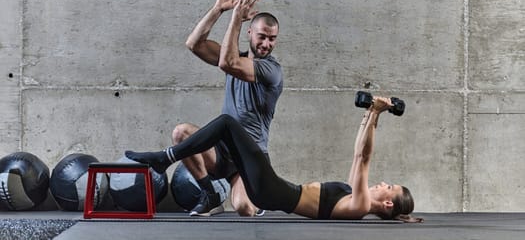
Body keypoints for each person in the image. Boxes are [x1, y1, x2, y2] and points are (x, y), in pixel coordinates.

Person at [126, 95, 422, 222]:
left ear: (387, 203)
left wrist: (377, 113)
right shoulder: (351, 198)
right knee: (226, 131)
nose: (384, 183)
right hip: (272, 188)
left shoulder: (358, 206)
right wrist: (371, 112)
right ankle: (171, 159)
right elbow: (358, 158)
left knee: (228, 123)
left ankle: (165, 159)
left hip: (272, 190)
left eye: (390, 187)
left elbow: (363, 156)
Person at [173, 0, 283, 217]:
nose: (266, 44)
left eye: (272, 39)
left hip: (250, 154)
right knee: (181, 133)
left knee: (244, 208)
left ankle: (257, 193)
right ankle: (210, 196)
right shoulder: (237, 56)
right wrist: (218, 9)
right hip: (221, 151)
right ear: (250, 32)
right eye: (262, 36)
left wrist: (235, 17)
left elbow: (227, 63)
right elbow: (194, 44)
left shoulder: (271, 70)